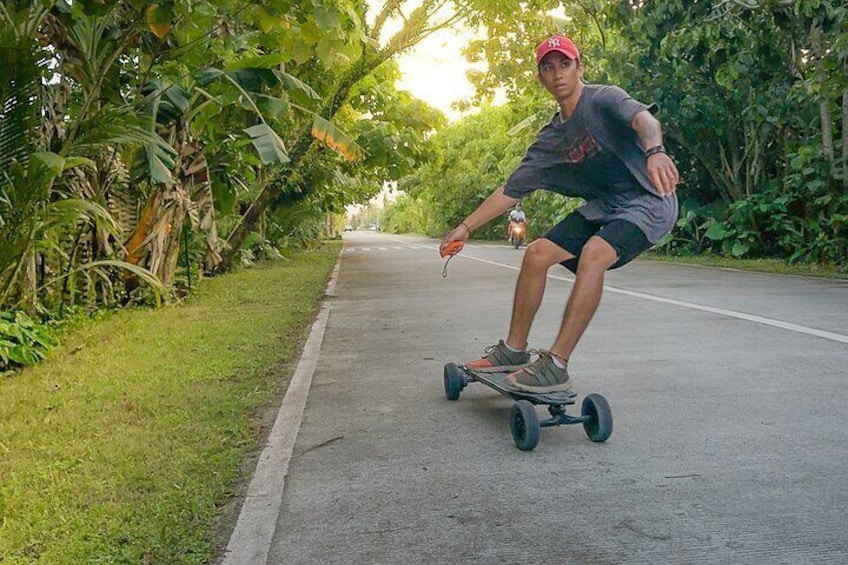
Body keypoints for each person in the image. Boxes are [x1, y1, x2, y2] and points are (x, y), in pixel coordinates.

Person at [439, 34, 679, 393]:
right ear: (541, 78)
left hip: (650, 202)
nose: (558, 74)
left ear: (579, 67)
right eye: (548, 68)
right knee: (536, 254)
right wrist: (465, 227)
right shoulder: (550, 140)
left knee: (594, 254)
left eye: (565, 64)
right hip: (605, 209)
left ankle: (556, 363)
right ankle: (513, 350)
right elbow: (510, 190)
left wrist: (655, 150)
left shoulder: (603, 99)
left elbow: (644, 119)